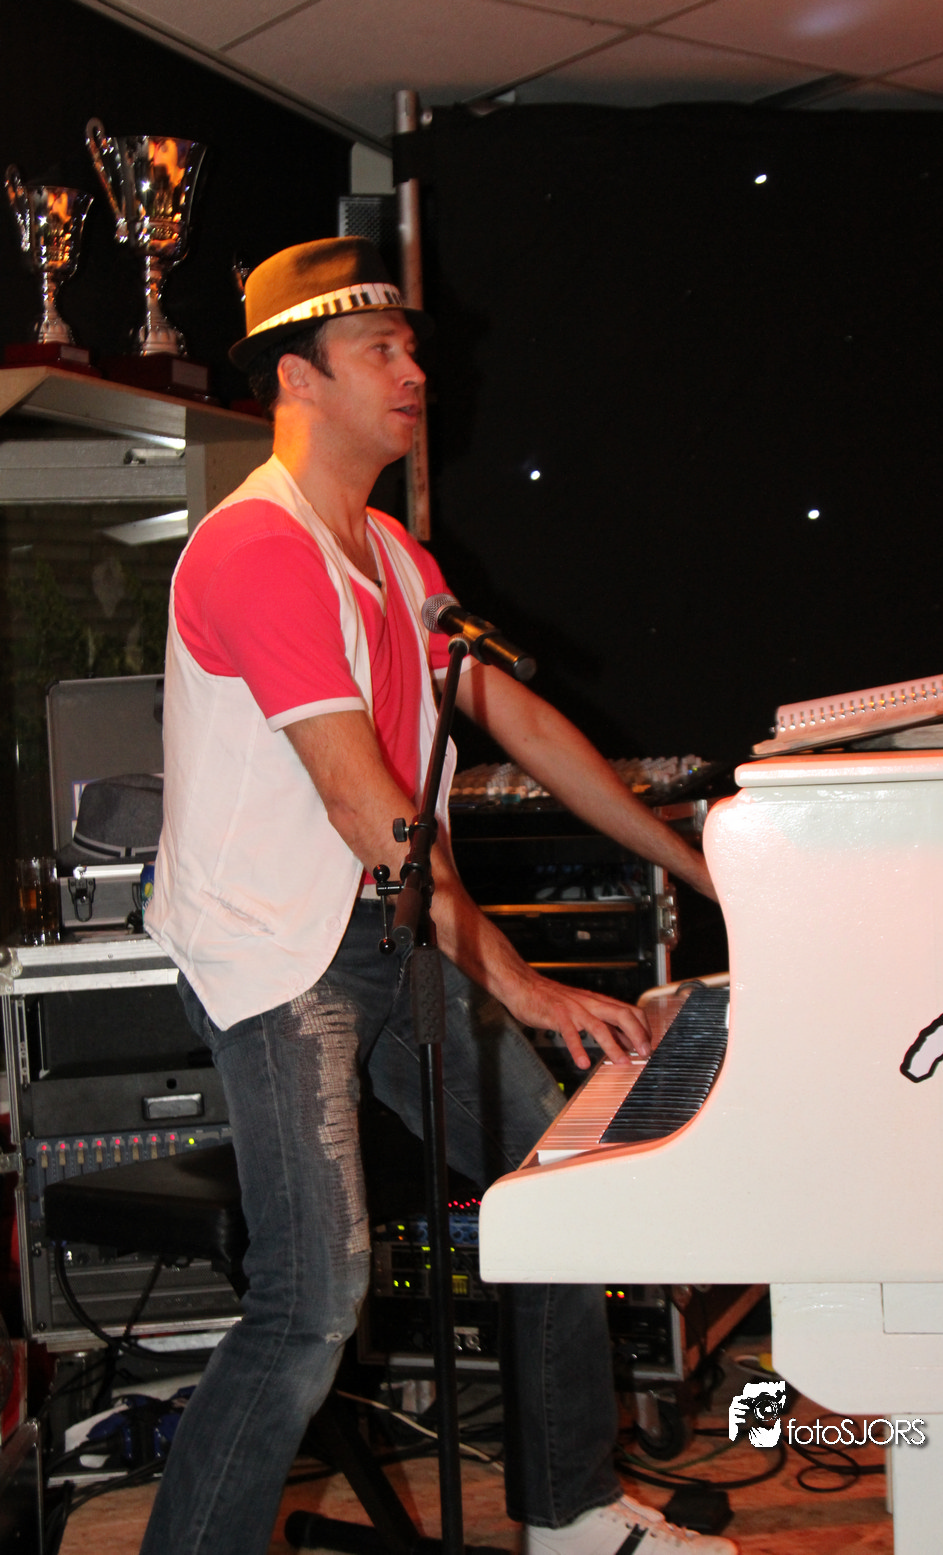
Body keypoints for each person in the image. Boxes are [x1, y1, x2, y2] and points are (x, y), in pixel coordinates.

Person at [142, 237, 736, 1555]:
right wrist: (522, 982)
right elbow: (371, 813)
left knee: (550, 1192)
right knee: (313, 1298)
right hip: (277, 955)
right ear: (299, 377)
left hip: (384, 930)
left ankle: (570, 1514)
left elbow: (523, 721)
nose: (416, 371)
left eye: (414, 348)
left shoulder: (396, 558)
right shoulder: (257, 550)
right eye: (382, 351)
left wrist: (706, 865)